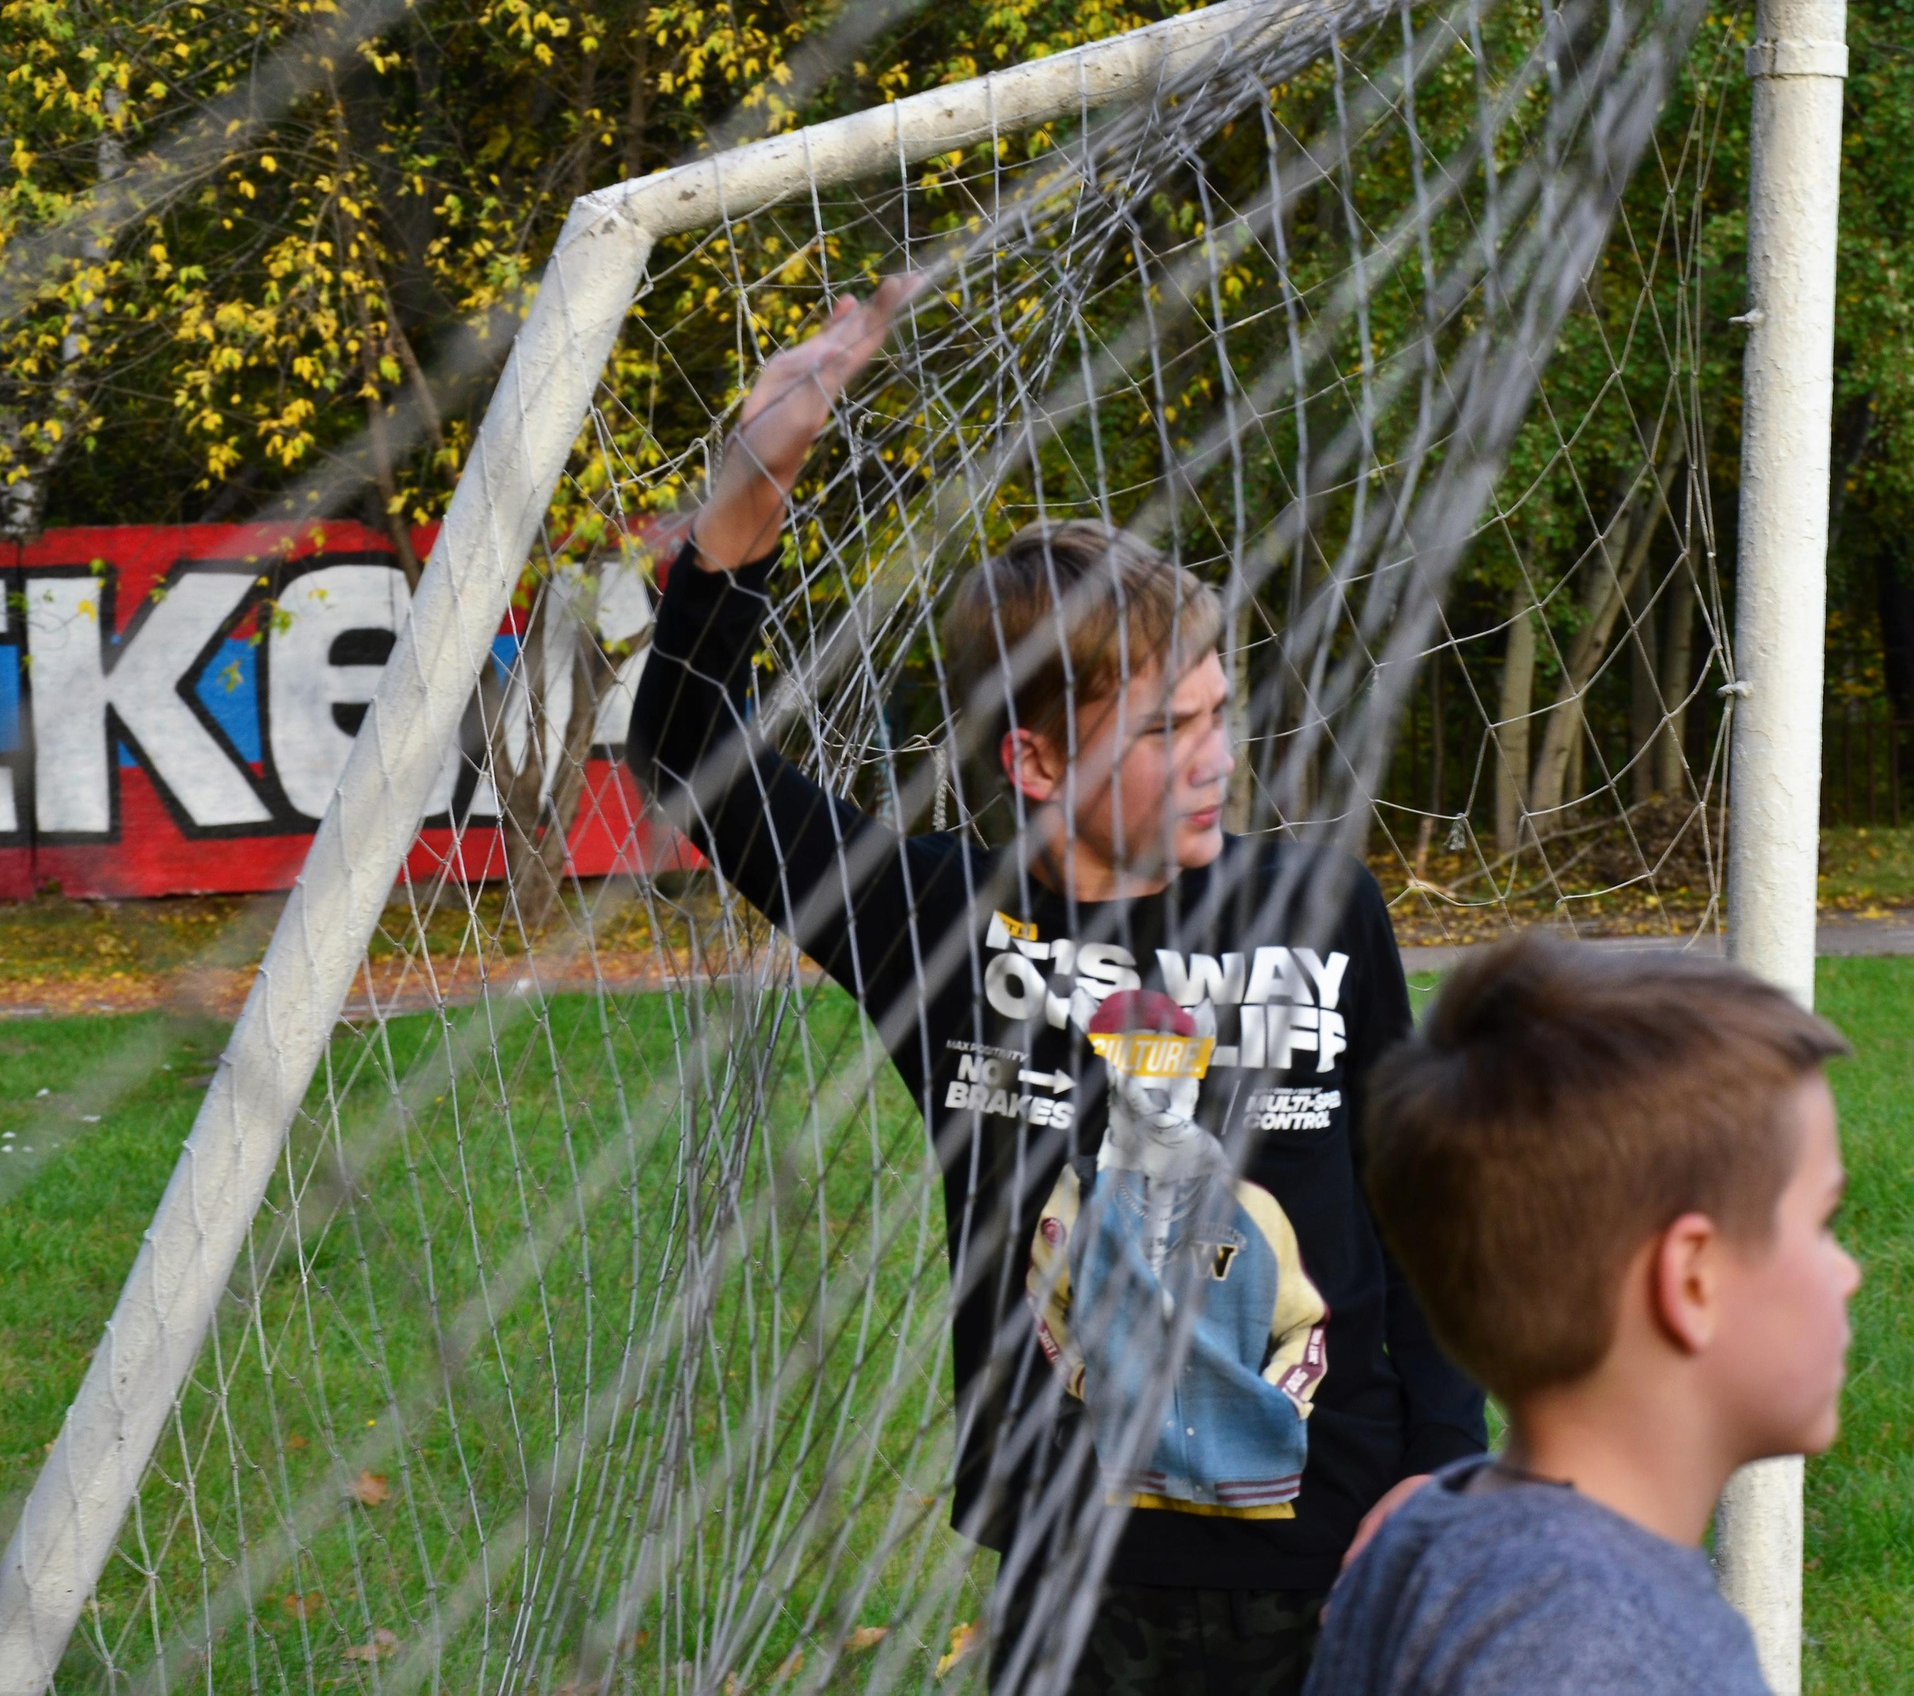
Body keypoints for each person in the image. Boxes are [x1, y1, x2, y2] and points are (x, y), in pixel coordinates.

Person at [626, 281, 1485, 1696]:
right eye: (1165, 730)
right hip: (1076, 1592)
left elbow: (1416, 1195)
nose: (1215, 757)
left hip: (1342, 1560)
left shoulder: (1321, 908)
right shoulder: (943, 923)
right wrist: (750, 491)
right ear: (1033, 763)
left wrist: (1448, 1469)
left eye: (1218, 714)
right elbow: (684, 748)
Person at [1305, 933, 1858, 1696]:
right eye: (1822, 1222)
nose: (1848, 1272)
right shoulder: (1584, 1644)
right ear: (1693, 1281)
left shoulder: (1436, 1530)